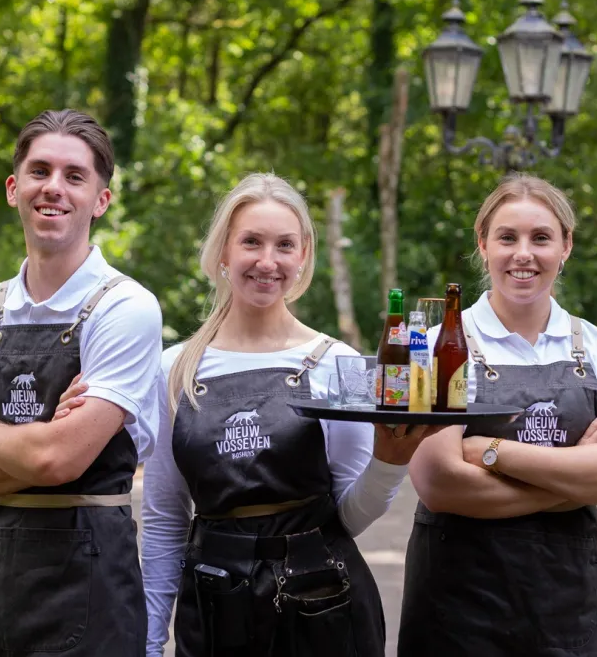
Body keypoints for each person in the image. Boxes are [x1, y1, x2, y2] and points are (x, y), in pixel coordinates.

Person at [141, 173, 440, 657]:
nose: (267, 261)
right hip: (214, 611)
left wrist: (390, 462)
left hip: (323, 608)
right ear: (223, 252)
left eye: (284, 245)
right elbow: (164, 520)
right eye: (251, 242)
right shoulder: (174, 369)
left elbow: (350, 516)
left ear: (303, 256)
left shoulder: (335, 363)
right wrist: (149, 642)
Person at [0, 109, 162, 657]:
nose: (53, 188)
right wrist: (32, 443)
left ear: (100, 200)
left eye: (75, 176)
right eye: (39, 171)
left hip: (91, 586)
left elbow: (59, 462)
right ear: (14, 188)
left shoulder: (125, 307)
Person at [397, 173, 597, 657]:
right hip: (456, 607)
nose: (523, 254)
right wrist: (578, 477)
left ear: (565, 247)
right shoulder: (437, 347)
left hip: (567, 605)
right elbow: (440, 483)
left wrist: (492, 452)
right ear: (483, 245)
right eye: (507, 237)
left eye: (541, 238)